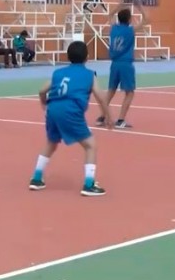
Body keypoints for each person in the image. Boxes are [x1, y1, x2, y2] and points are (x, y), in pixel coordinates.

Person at [29, 41, 112, 196]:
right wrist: (108, 115)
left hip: (53, 109)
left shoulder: (58, 73)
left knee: (51, 143)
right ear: (87, 57)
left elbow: (42, 90)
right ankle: (88, 184)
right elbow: (101, 97)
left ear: (68, 57)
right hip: (71, 110)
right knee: (90, 145)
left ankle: (36, 178)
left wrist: (44, 104)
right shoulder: (89, 74)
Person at [96, 2, 148, 129]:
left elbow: (109, 14)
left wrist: (121, 4)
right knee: (129, 93)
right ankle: (120, 120)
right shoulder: (130, 30)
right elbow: (146, 19)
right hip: (126, 64)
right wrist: (139, 6)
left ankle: (102, 117)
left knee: (111, 91)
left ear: (118, 18)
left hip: (114, 64)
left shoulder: (114, 28)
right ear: (130, 19)